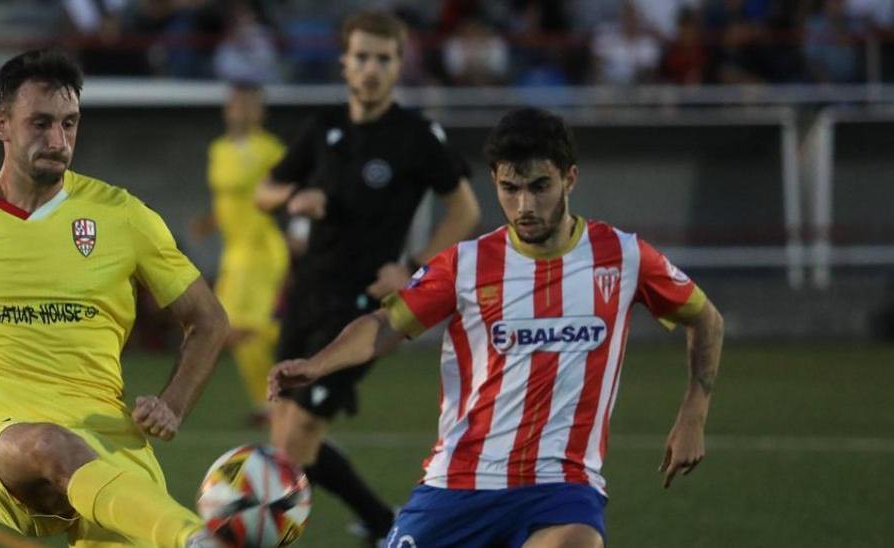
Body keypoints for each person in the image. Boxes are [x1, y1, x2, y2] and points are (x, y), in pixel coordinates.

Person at [270, 106, 725, 548]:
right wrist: (317, 364)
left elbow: (705, 318)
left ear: (570, 177)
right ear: (495, 182)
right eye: (510, 189)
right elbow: (385, 323)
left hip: (561, 487)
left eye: (539, 186)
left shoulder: (622, 257)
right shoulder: (466, 264)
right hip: (458, 483)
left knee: (578, 543)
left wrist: (694, 413)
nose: (524, 205)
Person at [0, 49, 228, 548]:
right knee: (48, 442)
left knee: (79, 465)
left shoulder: (124, 216)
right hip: (9, 438)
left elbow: (208, 319)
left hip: (113, 452)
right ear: (1, 124)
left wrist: (173, 404)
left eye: (69, 124)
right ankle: (198, 539)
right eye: (40, 123)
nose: (58, 141)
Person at [253, 10, 482, 542]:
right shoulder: (323, 127)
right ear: (345, 63)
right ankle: (382, 522)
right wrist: (293, 197)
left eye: (383, 58)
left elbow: (464, 210)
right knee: (286, 434)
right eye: (362, 57)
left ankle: (266, 531)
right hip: (306, 294)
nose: (371, 68)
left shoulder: (416, 136)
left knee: (295, 444)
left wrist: (413, 268)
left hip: (363, 306)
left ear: (399, 64)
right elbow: (264, 191)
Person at [193, 82, 287, 425]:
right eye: (238, 104)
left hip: (261, 249)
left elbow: (291, 191)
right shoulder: (219, 149)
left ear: (261, 112)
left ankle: (287, 382)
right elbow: (229, 199)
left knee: (239, 329)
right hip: (234, 252)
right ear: (228, 109)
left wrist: (299, 231)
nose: (243, 111)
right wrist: (210, 221)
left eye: (251, 105)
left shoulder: (270, 149)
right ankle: (271, 401)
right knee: (228, 329)